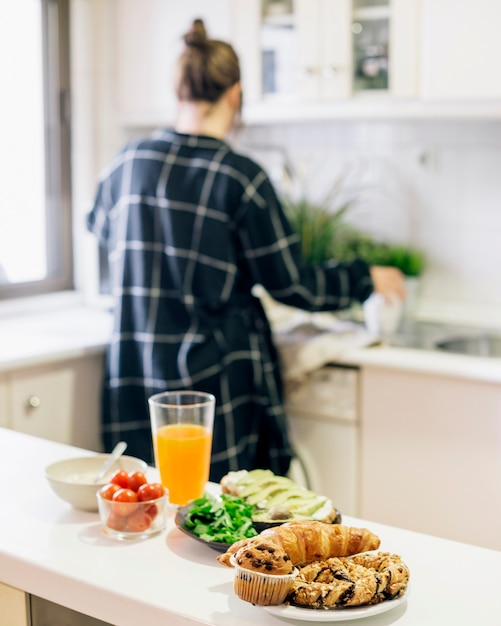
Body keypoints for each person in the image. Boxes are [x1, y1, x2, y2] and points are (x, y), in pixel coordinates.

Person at [86, 19, 405, 482]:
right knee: (226, 528)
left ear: (179, 90)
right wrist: (363, 276)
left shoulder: (127, 163)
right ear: (235, 93)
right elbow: (292, 284)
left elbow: (96, 227)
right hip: (215, 386)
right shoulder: (241, 177)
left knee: (145, 513)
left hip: (136, 377)